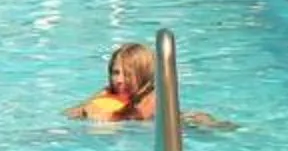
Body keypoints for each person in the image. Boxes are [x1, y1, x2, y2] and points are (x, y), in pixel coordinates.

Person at [67, 42, 232, 127]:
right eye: (115, 72)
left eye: (128, 75)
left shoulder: (151, 100)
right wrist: (88, 107)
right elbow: (71, 113)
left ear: (144, 76)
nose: (119, 80)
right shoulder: (110, 93)